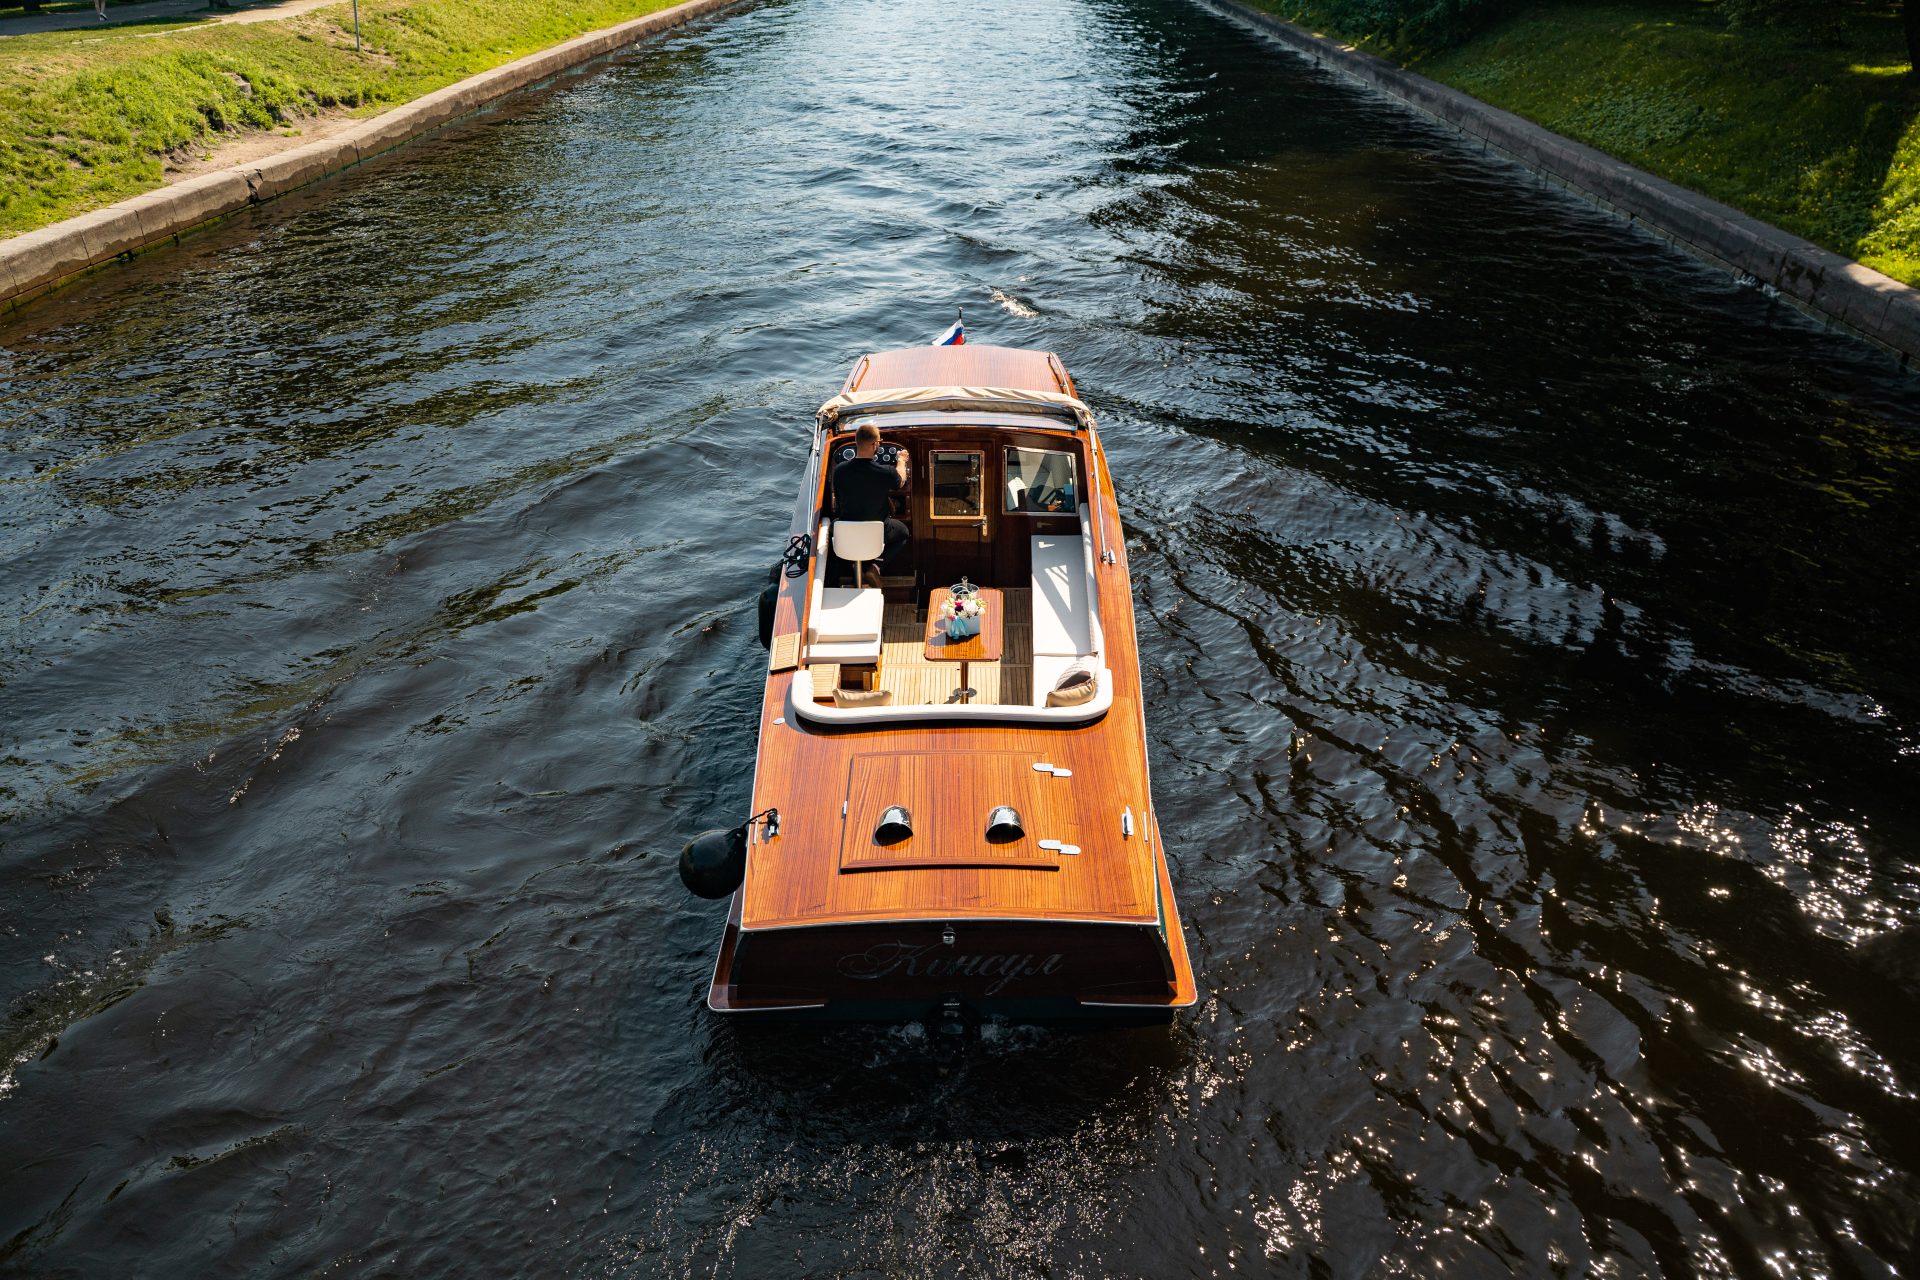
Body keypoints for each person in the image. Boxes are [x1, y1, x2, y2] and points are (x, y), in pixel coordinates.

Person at [831, 422, 909, 583]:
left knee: (829, 528)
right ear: (875, 445)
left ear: (856, 442)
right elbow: (901, 481)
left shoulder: (839, 471)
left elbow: (838, 501)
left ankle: (851, 567)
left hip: (846, 532)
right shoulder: (886, 472)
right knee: (903, 533)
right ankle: (875, 567)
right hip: (878, 531)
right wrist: (901, 460)